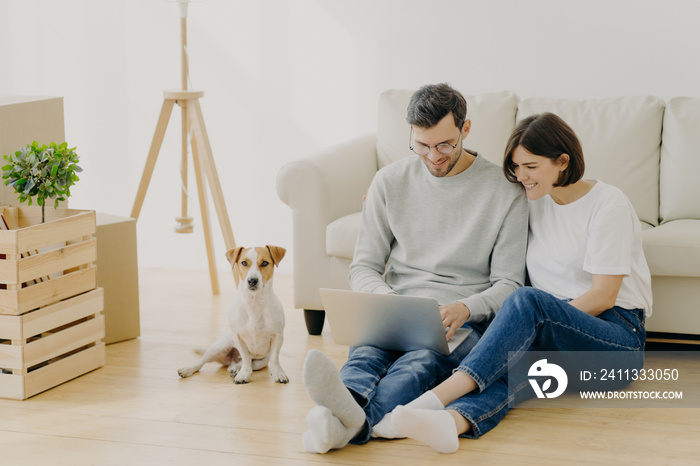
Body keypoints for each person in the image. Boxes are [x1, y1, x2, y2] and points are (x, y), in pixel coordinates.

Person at [385, 112, 652, 453]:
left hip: (617, 344)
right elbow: (467, 206)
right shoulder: (532, 201)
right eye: (516, 167)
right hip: (558, 333)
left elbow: (603, 295)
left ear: (562, 161)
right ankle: (451, 424)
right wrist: (393, 200)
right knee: (515, 366)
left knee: (528, 303)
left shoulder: (607, 204)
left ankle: (432, 399)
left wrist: (539, 322)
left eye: (531, 166)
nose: (520, 177)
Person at [301, 83, 529, 453]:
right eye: (422, 145)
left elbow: (510, 284)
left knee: (419, 364)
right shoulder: (389, 181)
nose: (434, 156)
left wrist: (465, 308)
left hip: (459, 316)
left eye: (444, 145)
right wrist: (385, 298)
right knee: (365, 355)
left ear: (465, 130)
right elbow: (363, 267)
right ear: (411, 134)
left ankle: (343, 423)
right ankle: (349, 413)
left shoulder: (505, 190)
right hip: (395, 305)